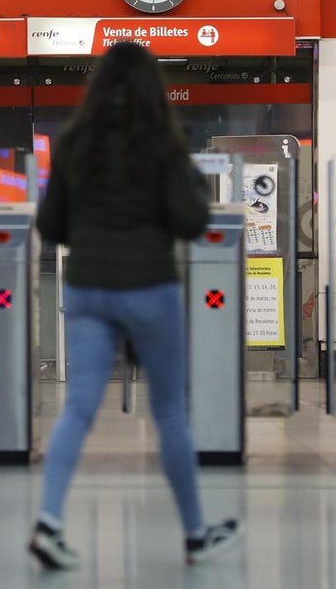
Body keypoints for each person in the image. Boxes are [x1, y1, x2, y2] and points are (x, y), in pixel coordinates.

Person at [27, 41, 243, 570]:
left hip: (86, 289)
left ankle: (49, 522)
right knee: (169, 412)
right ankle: (195, 534)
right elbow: (192, 221)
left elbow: (50, 226)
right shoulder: (162, 144)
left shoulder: (74, 142)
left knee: (79, 407)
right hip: (148, 286)